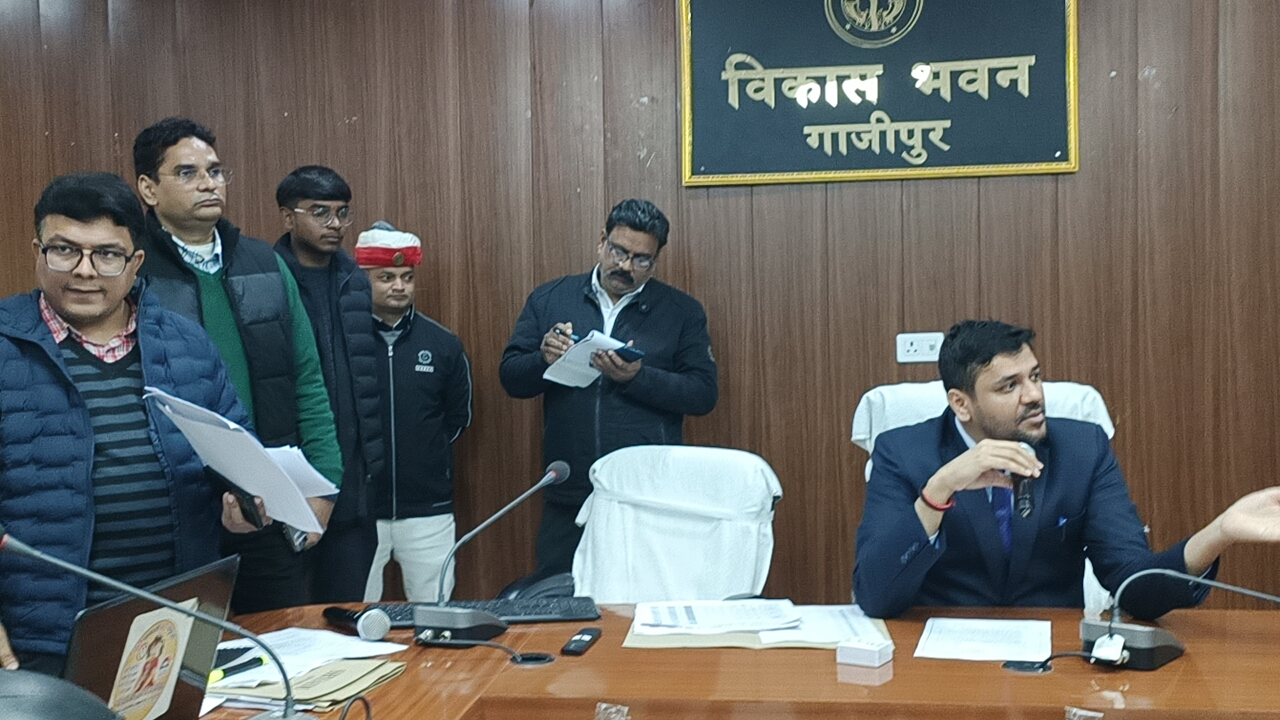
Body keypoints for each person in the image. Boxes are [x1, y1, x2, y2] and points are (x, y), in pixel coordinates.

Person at [0, 173, 260, 674]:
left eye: (106, 254)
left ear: (135, 262)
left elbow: (238, 456)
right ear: (37, 251)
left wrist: (242, 506)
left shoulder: (187, 344)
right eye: (64, 250)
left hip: (173, 630)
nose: (84, 271)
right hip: (41, 644)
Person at [853, 319, 1280, 619]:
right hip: (937, 666)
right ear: (961, 404)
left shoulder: (1081, 449)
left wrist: (1218, 534)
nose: (1034, 395)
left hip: (1054, 662)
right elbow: (875, 596)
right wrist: (939, 491)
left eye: (1035, 376)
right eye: (1010, 386)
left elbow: (1135, 588)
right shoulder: (903, 453)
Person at [132, 118, 343, 613]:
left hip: (266, 501)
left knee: (279, 641)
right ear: (148, 188)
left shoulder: (265, 264)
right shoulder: (132, 273)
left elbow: (308, 380)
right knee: (188, 651)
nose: (209, 183)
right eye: (187, 173)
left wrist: (324, 485)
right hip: (175, 511)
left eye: (215, 171)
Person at [499, 199, 719, 576]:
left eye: (641, 259)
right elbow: (511, 378)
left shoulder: (681, 312)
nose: (626, 267)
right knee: (558, 598)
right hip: (569, 490)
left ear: (656, 260)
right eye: (619, 252)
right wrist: (543, 359)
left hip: (647, 497)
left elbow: (703, 394)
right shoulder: (551, 299)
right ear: (602, 241)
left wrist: (636, 378)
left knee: (641, 600)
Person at [273, 166, 384, 603]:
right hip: (291, 477)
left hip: (354, 486)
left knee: (344, 610)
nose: (335, 224)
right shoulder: (265, 278)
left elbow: (364, 382)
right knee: (287, 614)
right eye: (320, 212)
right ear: (288, 216)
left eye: (342, 213)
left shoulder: (355, 280)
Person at [356, 225, 473, 602]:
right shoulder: (344, 342)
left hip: (427, 509)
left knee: (434, 614)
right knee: (355, 615)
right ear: (362, 279)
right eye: (386, 277)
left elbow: (458, 418)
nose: (399, 286)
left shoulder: (443, 344)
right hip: (360, 509)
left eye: (407, 277)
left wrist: (425, 455)